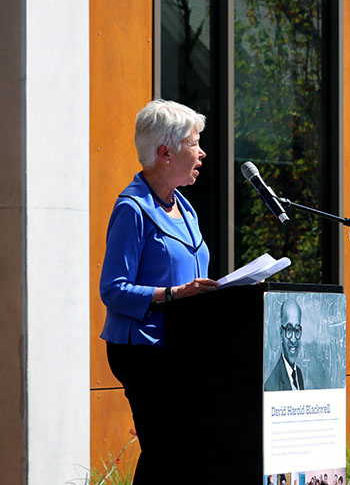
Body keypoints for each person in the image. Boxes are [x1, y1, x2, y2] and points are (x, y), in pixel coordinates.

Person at [99, 99, 219, 483]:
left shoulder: (185, 207)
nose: (201, 152)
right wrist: (173, 294)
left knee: (182, 451)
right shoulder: (132, 209)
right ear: (165, 152)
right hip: (144, 351)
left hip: (184, 346)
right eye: (193, 143)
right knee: (168, 448)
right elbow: (113, 289)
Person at [264, 298, 305, 391]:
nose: (293, 340)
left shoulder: (298, 373)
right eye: (289, 330)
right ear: (281, 332)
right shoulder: (271, 385)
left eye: (297, 330)